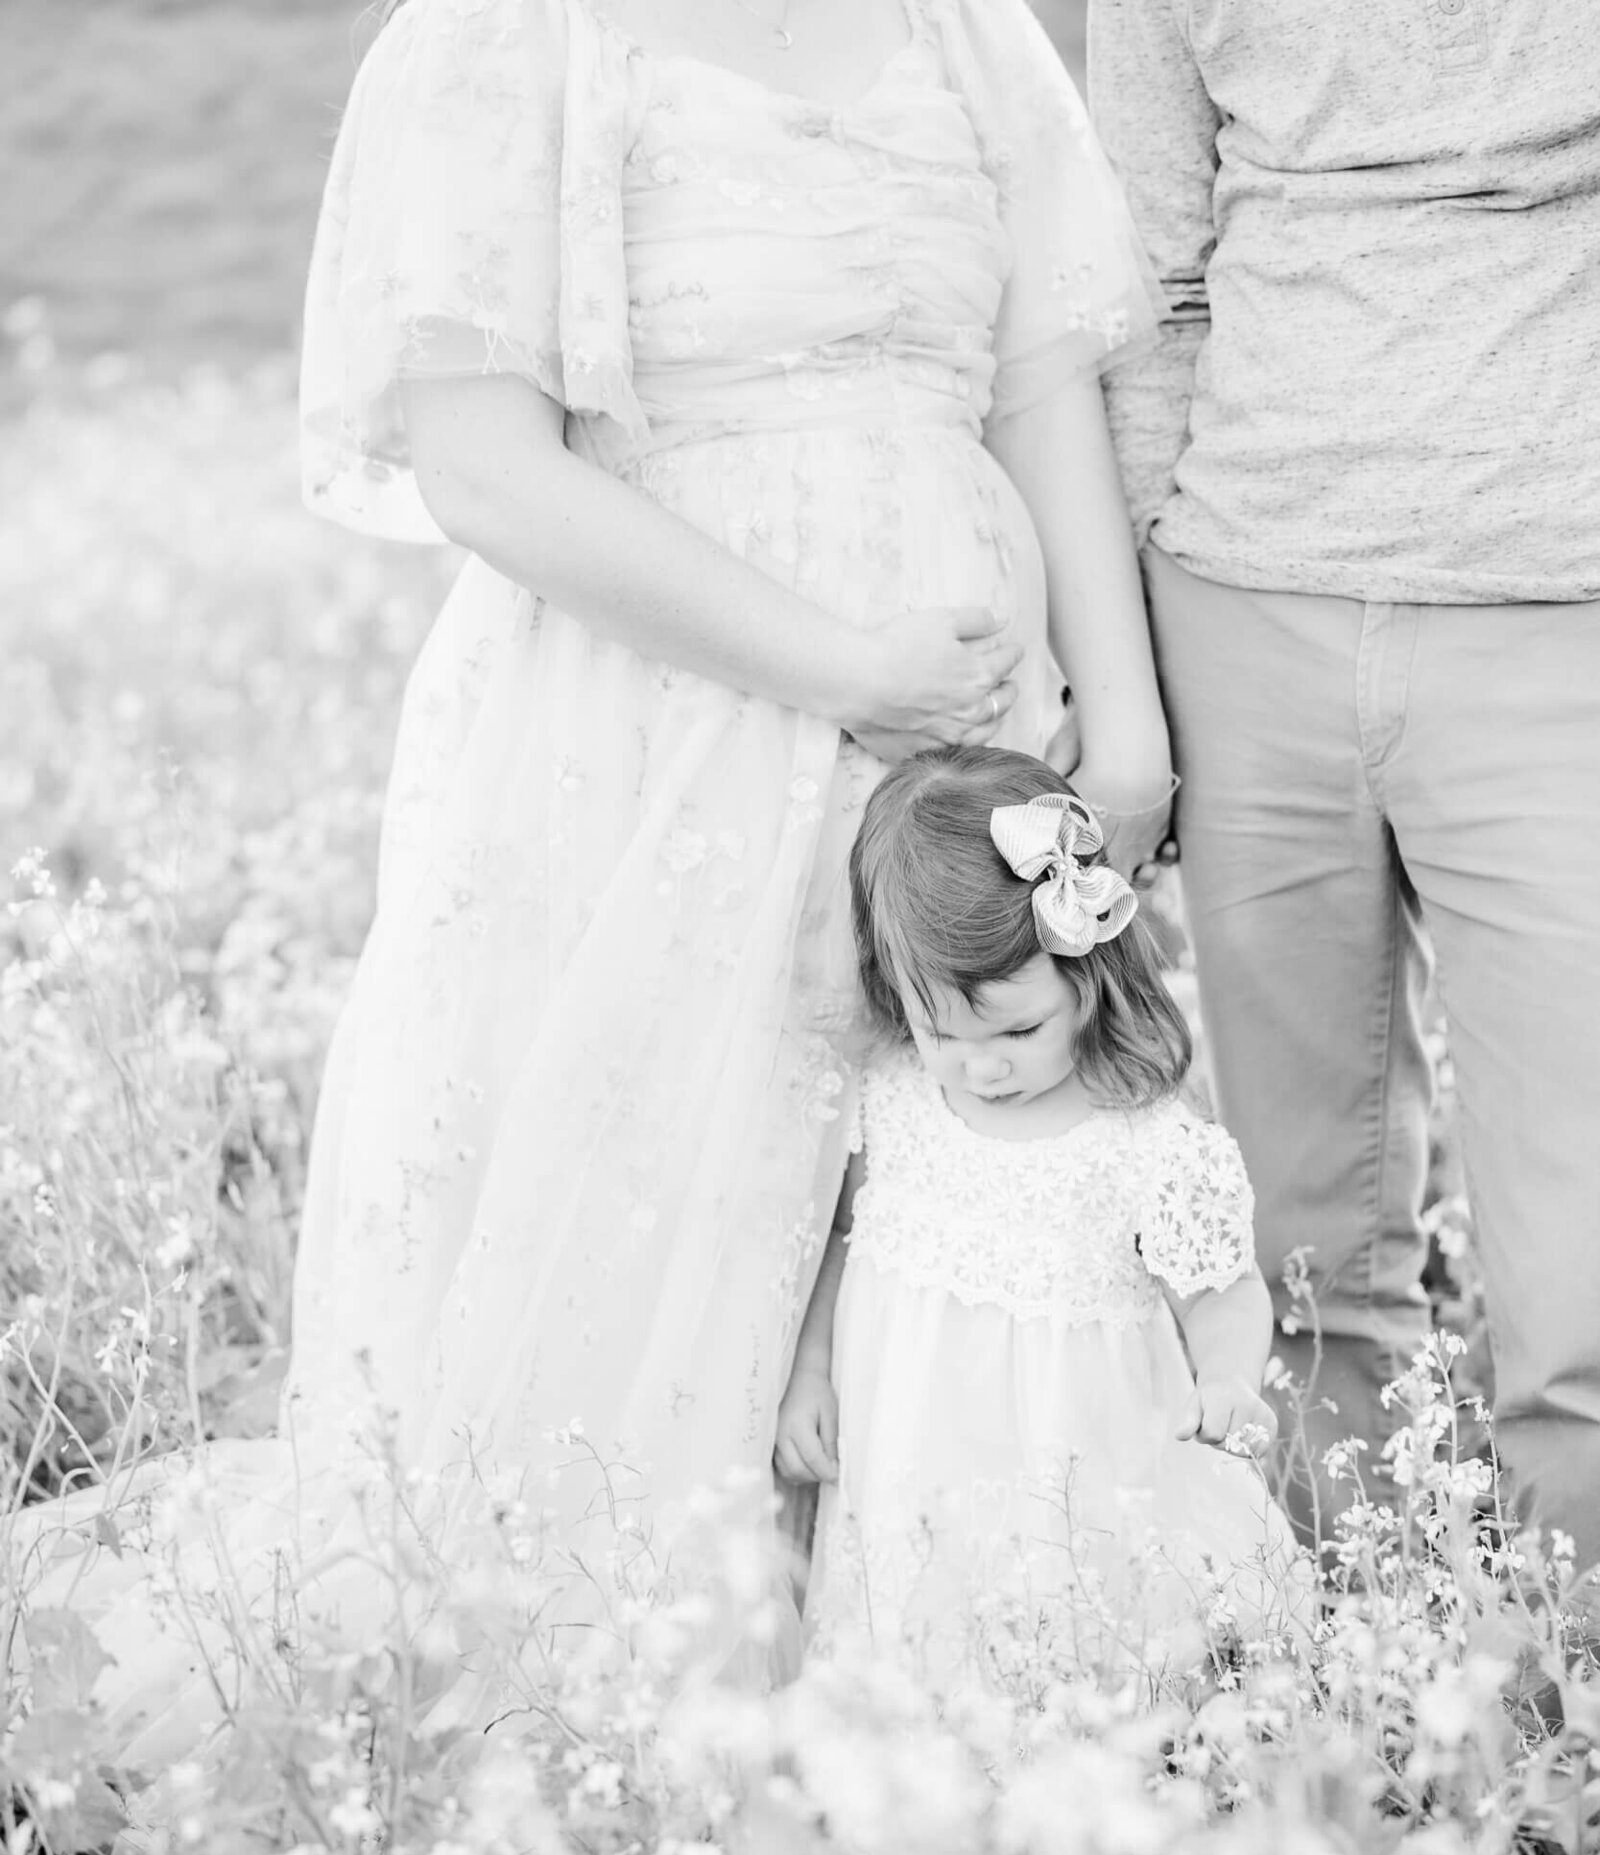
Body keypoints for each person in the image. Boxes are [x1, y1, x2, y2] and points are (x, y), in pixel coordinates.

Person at [13, 0, 1175, 1763]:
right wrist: (843, 667)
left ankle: (944, 1690)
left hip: (969, 766)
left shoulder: (962, 31)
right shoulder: (507, 42)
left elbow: (1039, 384)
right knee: (659, 1246)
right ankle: (641, 1732)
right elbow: (487, 467)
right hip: (654, 750)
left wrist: (1130, 728)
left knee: (959, 1210)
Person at [1088, 0, 1600, 1563]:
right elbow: (1147, 280)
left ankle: (1565, 1691)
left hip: (1557, 610)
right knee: (1301, 1249)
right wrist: (1144, 640)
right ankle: (1356, 1667)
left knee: (1580, 1273)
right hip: (1243, 600)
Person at [775, 748, 1305, 1689]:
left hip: (1071, 1471)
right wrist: (811, 1369)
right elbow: (843, 1240)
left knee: (1080, 1660)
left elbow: (1221, 1290)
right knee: (922, 1645)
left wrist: (1226, 1378)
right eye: (945, 1034)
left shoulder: (1142, 1140)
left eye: (1017, 1032)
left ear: (1088, 974)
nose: (981, 1068)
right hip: (912, 1455)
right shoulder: (894, 1097)